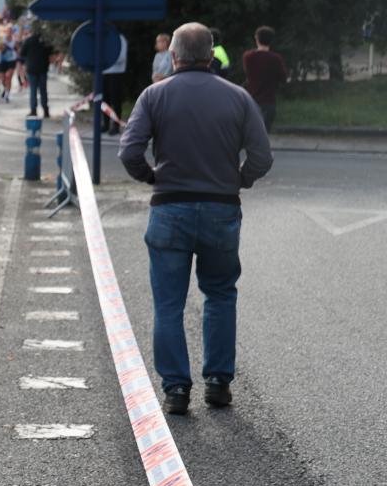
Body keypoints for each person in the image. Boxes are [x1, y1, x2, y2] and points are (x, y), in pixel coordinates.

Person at [119, 22, 273, 416]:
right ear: (211, 56)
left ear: (173, 56)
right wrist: (240, 180)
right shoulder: (238, 98)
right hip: (221, 208)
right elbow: (262, 156)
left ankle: (175, 390)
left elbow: (130, 151)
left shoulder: (154, 95)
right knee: (220, 294)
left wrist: (151, 176)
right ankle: (218, 382)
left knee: (168, 303)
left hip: (169, 209)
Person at [242, 26, 287, 132]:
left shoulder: (248, 57)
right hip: (268, 101)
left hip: (251, 100)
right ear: (271, 40)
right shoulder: (276, 58)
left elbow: (247, 74)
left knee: (251, 134)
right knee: (264, 134)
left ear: (256, 39)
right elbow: (283, 78)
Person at [20, 27, 51, 117]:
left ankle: (33, 110)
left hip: (32, 69)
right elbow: (51, 52)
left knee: (33, 90)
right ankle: (45, 110)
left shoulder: (28, 41)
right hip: (43, 68)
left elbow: (22, 53)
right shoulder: (45, 41)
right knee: (43, 90)